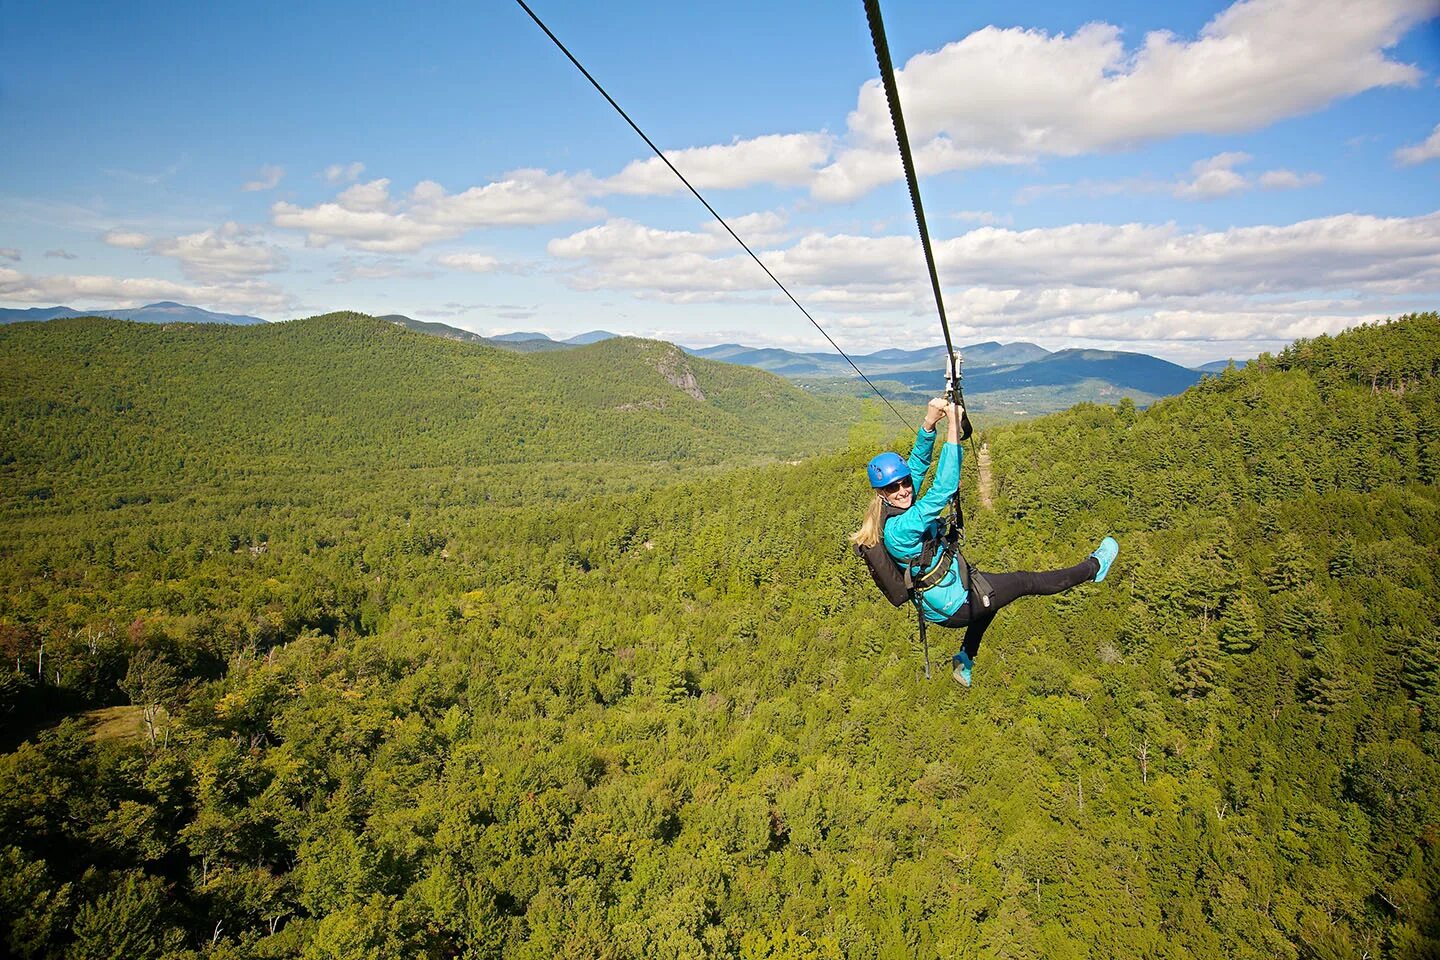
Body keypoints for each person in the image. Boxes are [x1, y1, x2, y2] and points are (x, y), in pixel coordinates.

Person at [852, 397, 1118, 687]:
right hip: (954, 604)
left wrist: (929, 424)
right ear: (881, 493)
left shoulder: (891, 507)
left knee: (992, 598)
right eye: (894, 487)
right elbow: (943, 488)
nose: (904, 490)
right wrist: (953, 426)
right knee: (1025, 582)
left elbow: (916, 465)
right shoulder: (899, 528)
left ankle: (965, 658)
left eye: (904, 483)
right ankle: (1095, 567)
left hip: (951, 589)